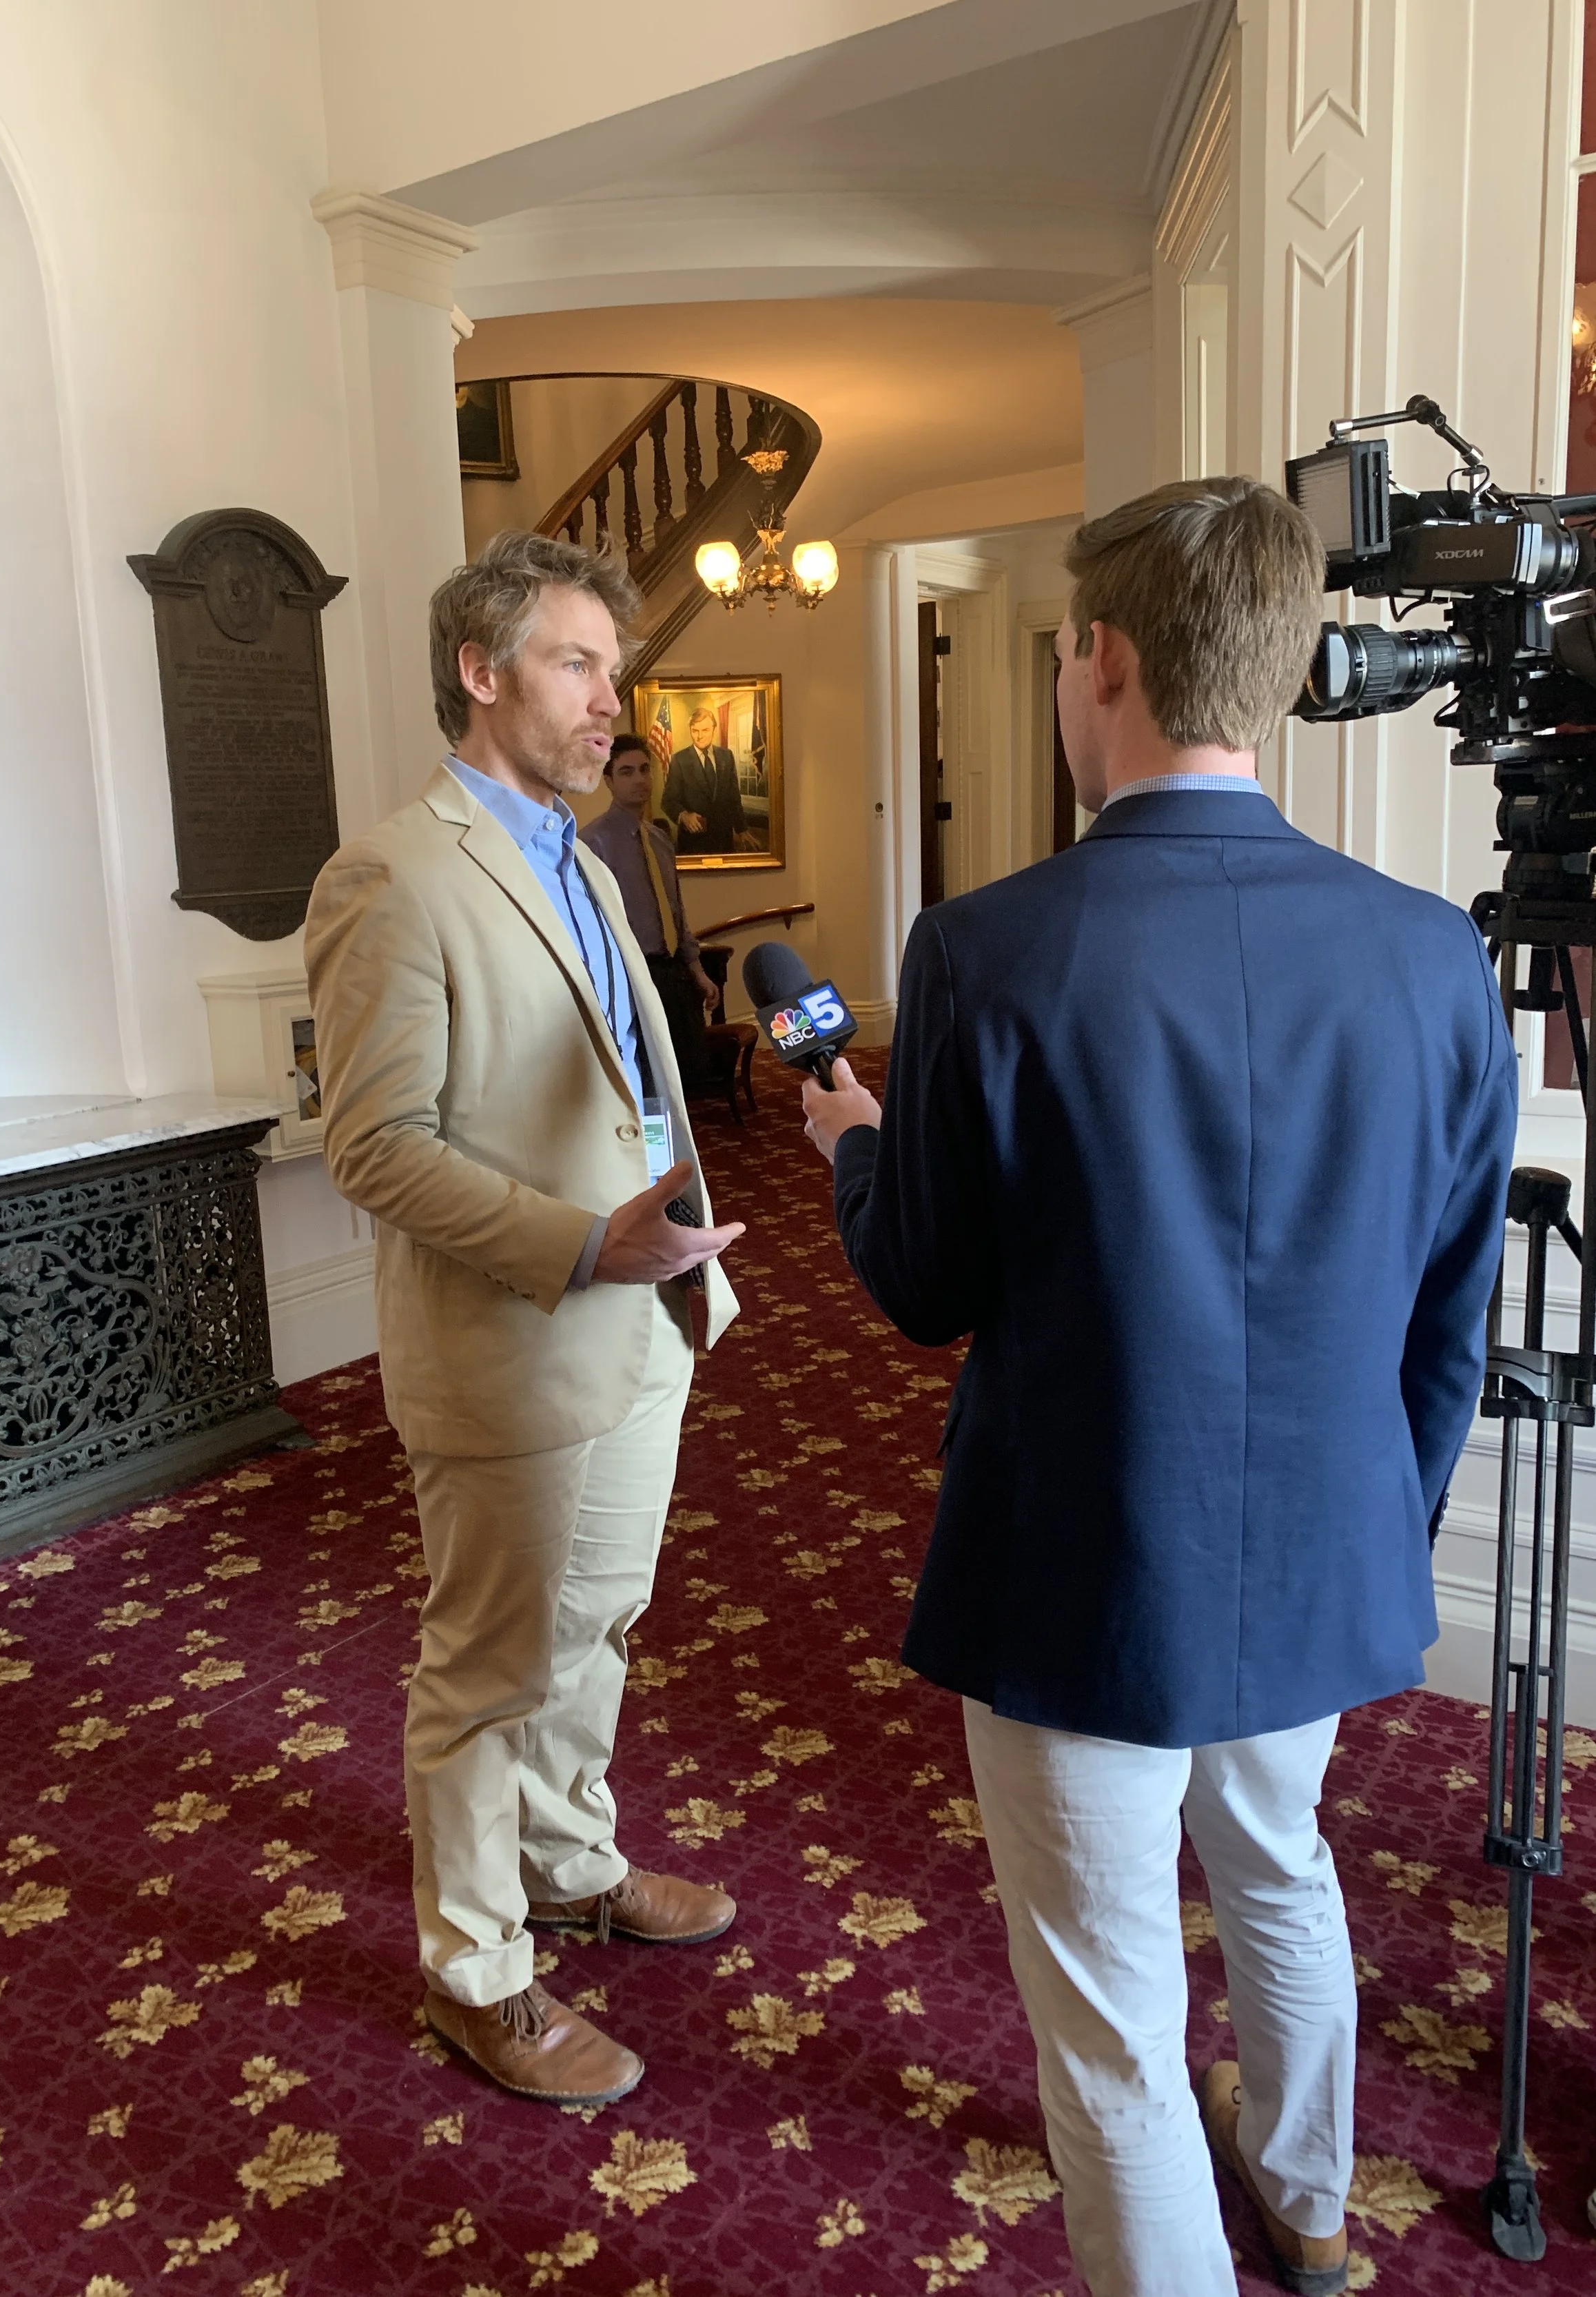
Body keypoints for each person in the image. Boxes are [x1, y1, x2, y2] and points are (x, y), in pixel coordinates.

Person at [799, 478, 1516, 2297]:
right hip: (1316, 1556)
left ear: (1095, 658)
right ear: (1270, 670)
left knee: (1114, 2003)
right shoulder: (1436, 952)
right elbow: (1450, 1315)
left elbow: (922, 1283)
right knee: (1277, 1866)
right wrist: (1375, 1527)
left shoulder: (986, 947)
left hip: (1078, 1571)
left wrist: (854, 1148)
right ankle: (1302, 2194)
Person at [305, 529, 745, 2112]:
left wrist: (655, 1254)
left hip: (640, 1326)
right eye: (577, 664)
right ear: (482, 673)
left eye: (614, 672)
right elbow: (373, 1145)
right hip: (518, 1334)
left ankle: (569, 1865)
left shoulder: (581, 846)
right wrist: (580, 1245)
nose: (610, 700)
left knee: (598, 1628)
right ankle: (476, 1971)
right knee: (489, 1666)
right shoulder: (389, 873)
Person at [582, 732, 721, 1092]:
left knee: (685, 1081)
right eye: (627, 772)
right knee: (645, 1085)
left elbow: (678, 916)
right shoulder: (590, 844)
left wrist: (698, 972)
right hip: (630, 979)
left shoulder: (660, 840)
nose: (640, 779)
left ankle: (685, 1151)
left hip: (674, 975)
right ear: (608, 780)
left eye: (645, 770)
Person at [661, 706, 749, 853]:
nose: (700, 736)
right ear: (691, 730)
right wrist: (684, 815)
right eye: (695, 731)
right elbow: (668, 801)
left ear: (714, 729)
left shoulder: (726, 756)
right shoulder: (679, 760)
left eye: (705, 730)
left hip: (724, 842)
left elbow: (734, 798)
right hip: (693, 843)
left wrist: (742, 829)